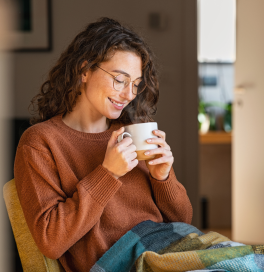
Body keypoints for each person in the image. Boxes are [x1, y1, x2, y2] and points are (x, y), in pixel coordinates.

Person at [14, 17, 193, 272]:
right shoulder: (40, 142)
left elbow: (182, 221)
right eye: (120, 80)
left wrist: (163, 178)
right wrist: (108, 174)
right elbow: (51, 241)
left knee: (259, 260)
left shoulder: (132, 133)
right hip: (121, 265)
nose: (129, 94)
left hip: (170, 254)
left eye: (136, 84)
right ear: (84, 70)